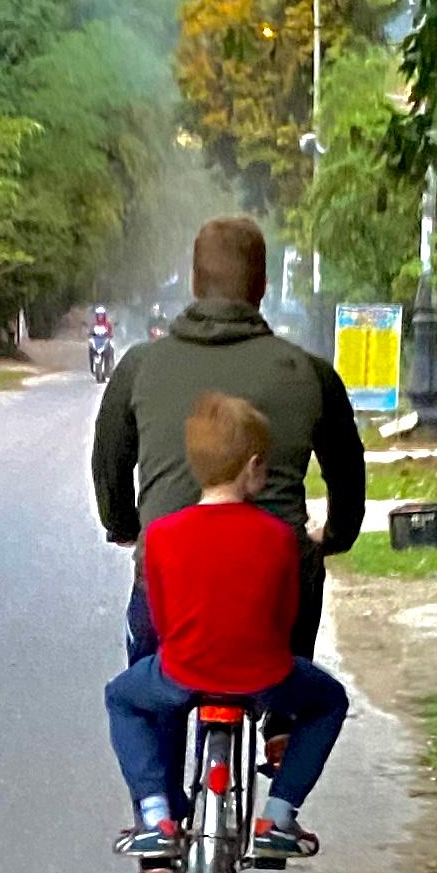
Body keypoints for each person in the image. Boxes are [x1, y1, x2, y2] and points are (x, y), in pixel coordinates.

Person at [107, 392, 351, 873]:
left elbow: (164, 620)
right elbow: (285, 617)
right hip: (264, 675)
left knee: (122, 698)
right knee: (330, 701)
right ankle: (279, 815)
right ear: (256, 467)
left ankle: (155, 817)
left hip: (182, 672)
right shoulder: (279, 537)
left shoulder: (163, 535)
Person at [92, 214, 365, 661]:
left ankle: (154, 725)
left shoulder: (141, 368)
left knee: (143, 695)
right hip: (276, 596)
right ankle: (284, 720)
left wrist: (124, 526)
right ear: (260, 286)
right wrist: (333, 535)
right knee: (303, 579)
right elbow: (348, 477)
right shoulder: (310, 375)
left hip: (169, 591)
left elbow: (110, 464)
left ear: (195, 282)